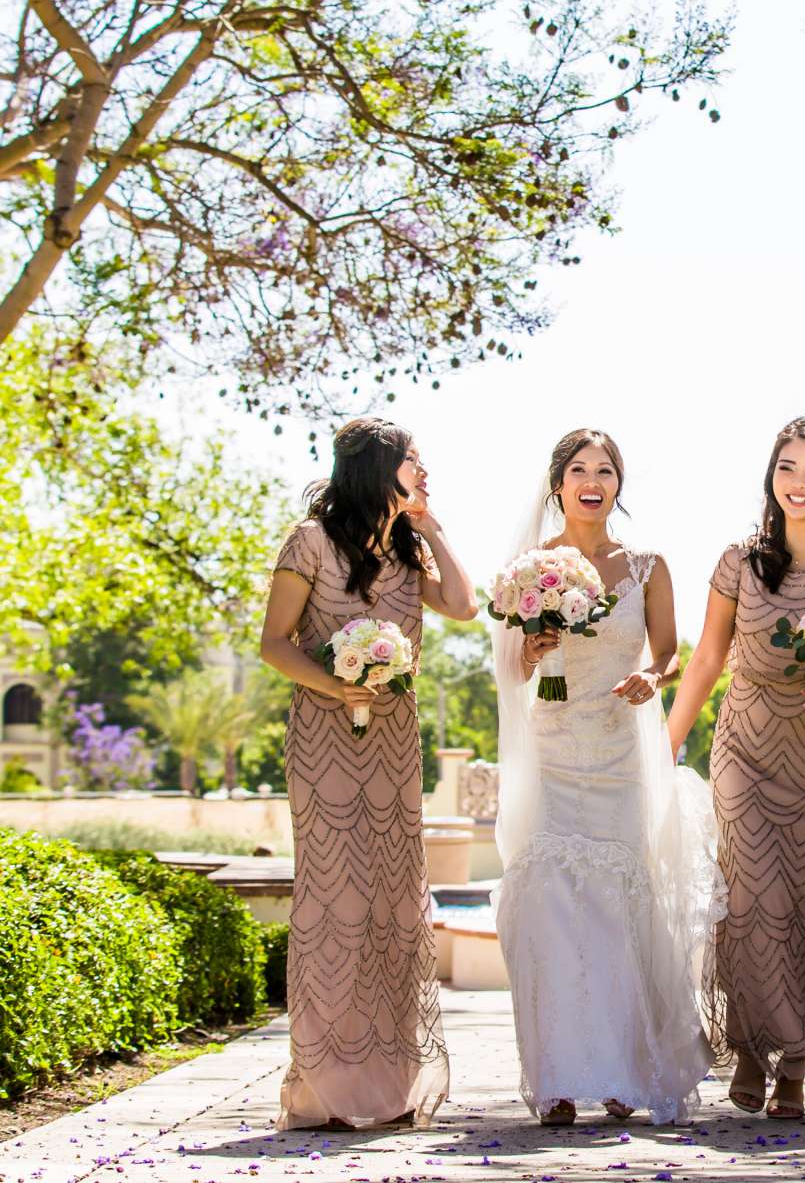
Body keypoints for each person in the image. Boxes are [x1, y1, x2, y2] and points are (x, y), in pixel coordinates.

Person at [665, 414, 805, 1119]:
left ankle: (794, 1066)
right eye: (786, 468)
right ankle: (749, 1046)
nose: (797, 483)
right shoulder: (741, 560)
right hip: (747, 747)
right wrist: (667, 741)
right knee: (753, 900)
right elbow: (707, 658)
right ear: (772, 476)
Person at [491, 428, 720, 1125]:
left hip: (621, 753)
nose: (594, 480)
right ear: (557, 482)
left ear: (618, 484)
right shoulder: (529, 568)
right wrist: (531, 651)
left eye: (607, 470)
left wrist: (652, 677)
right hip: (553, 749)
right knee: (550, 909)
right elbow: (511, 670)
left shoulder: (648, 564)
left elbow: (670, 651)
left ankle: (625, 1070)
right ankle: (558, 1079)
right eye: (579, 469)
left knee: (622, 909)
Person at [258, 418, 476, 1130]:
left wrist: (432, 525)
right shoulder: (310, 541)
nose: (424, 470)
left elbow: (465, 607)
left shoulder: (409, 549)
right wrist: (334, 687)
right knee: (333, 900)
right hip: (325, 742)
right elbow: (273, 643)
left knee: (391, 900)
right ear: (378, 469)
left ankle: (390, 1079)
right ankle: (322, 1087)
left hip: (393, 743)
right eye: (414, 462)